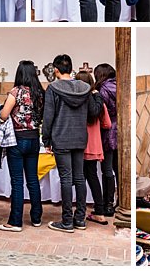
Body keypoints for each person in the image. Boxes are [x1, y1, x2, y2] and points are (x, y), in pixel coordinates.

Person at [42, 54, 101, 233]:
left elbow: (48, 116)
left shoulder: (53, 88)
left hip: (61, 138)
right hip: (80, 137)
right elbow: (92, 111)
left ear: (57, 70)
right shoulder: (85, 87)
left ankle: (67, 221)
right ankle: (80, 219)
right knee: (79, 177)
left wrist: (46, 139)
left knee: (66, 179)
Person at [0, 60, 45, 232]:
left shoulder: (16, 92)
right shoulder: (40, 92)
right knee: (33, 180)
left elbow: (3, 115)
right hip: (33, 139)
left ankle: (15, 221)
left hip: (17, 140)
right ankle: (37, 217)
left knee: (17, 181)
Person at [76, 70, 112, 225]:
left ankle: (80, 212)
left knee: (79, 179)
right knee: (93, 177)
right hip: (94, 145)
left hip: (78, 144)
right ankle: (100, 211)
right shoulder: (98, 100)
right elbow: (107, 124)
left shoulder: (76, 101)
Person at [94, 63, 118, 217]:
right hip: (120, 131)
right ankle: (121, 201)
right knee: (118, 168)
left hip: (108, 132)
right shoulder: (120, 85)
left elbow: (102, 113)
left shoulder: (103, 90)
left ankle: (108, 204)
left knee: (107, 170)